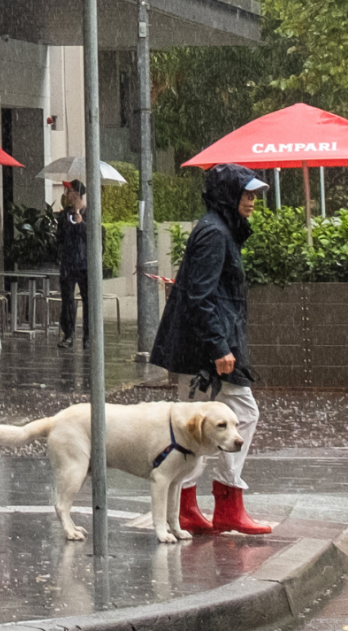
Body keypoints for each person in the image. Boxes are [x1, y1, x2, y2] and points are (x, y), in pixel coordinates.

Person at [150, 163, 272, 536]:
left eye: (253, 194)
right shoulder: (216, 233)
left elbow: (203, 292)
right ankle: (224, 502)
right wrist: (219, 346)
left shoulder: (218, 230)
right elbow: (200, 296)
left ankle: (194, 505)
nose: (252, 200)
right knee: (239, 415)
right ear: (228, 195)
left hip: (203, 346)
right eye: (246, 193)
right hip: (205, 351)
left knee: (200, 425)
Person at [56, 180, 90, 349]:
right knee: (67, 301)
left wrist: (81, 223)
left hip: (85, 265)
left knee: (88, 301)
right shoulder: (63, 216)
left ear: (76, 194)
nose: (66, 194)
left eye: (69, 191)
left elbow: (95, 238)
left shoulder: (89, 213)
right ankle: (68, 334)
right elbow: (59, 239)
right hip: (68, 265)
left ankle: (88, 336)